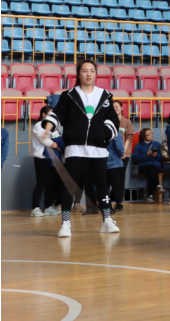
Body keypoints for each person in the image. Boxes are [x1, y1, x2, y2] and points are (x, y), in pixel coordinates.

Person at [42, 58, 122, 237]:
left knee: (102, 185)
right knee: (70, 186)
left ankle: (107, 220)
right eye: (85, 71)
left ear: (96, 74)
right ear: (78, 74)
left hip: (99, 150)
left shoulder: (105, 95)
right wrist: (47, 129)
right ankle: (65, 223)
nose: (88, 74)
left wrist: (105, 135)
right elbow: (57, 114)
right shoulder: (69, 95)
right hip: (75, 149)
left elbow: (113, 121)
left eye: (92, 71)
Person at [30, 105, 62, 217]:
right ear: (44, 114)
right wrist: (56, 145)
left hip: (53, 158)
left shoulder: (54, 128)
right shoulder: (38, 125)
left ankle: (48, 206)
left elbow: (57, 139)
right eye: (50, 114)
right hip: (41, 158)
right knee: (41, 183)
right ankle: (35, 208)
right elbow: (46, 140)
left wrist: (57, 144)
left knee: (51, 184)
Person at [131, 128, 164, 203]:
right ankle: (158, 185)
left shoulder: (157, 144)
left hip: (156, 165)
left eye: (151, 133)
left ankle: (150, 196)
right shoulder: (139, 146)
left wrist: (155, 155)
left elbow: (162, 157)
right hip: (144, 166)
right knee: (151, 170)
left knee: (151, 172)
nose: (151, 135)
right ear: (143, 137)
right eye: (148, 134)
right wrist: (146, 155)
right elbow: (136, 158)